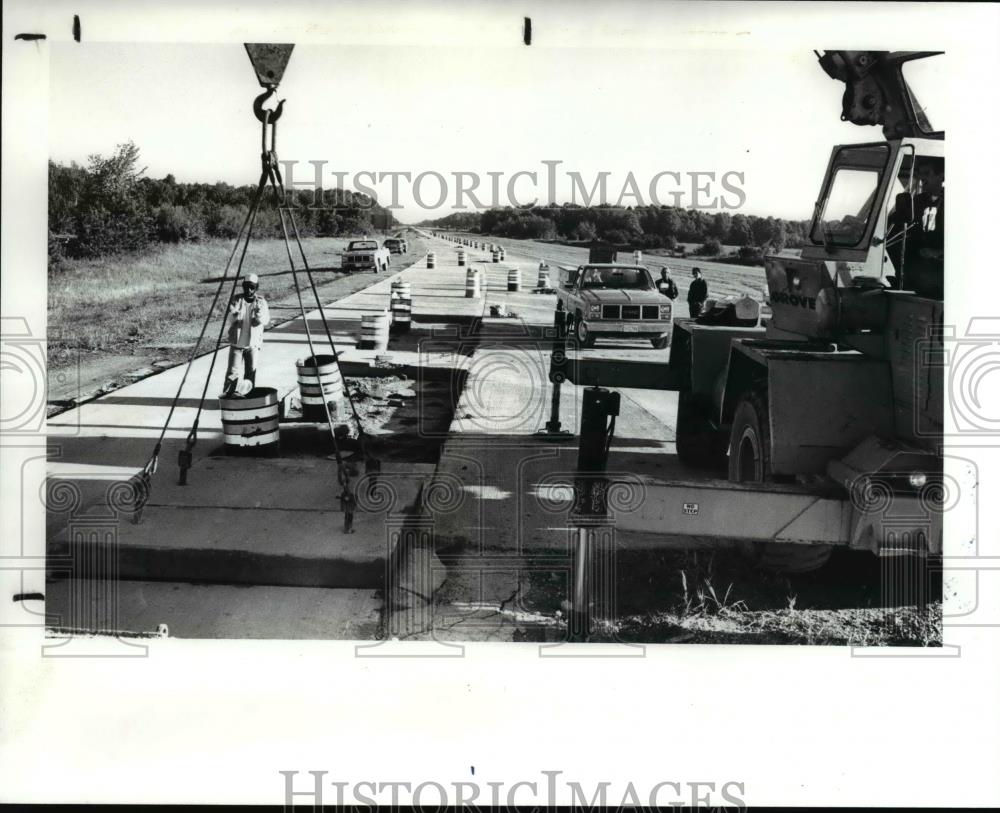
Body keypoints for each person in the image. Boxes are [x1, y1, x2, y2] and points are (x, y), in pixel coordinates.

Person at [221, 273, 270, 398]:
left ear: (256, 288)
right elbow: (230, 320)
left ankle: (248, 397)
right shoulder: (236, 299)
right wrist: (235, 313)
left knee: (250, 372)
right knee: (232, 372)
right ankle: (228, 396)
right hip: (236, 343)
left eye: (252, 287)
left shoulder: (261, 302)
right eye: (246, 287)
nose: (249, 290)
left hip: (253, 344)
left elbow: (265, 321)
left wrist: (259, 314)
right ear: (243, 287)